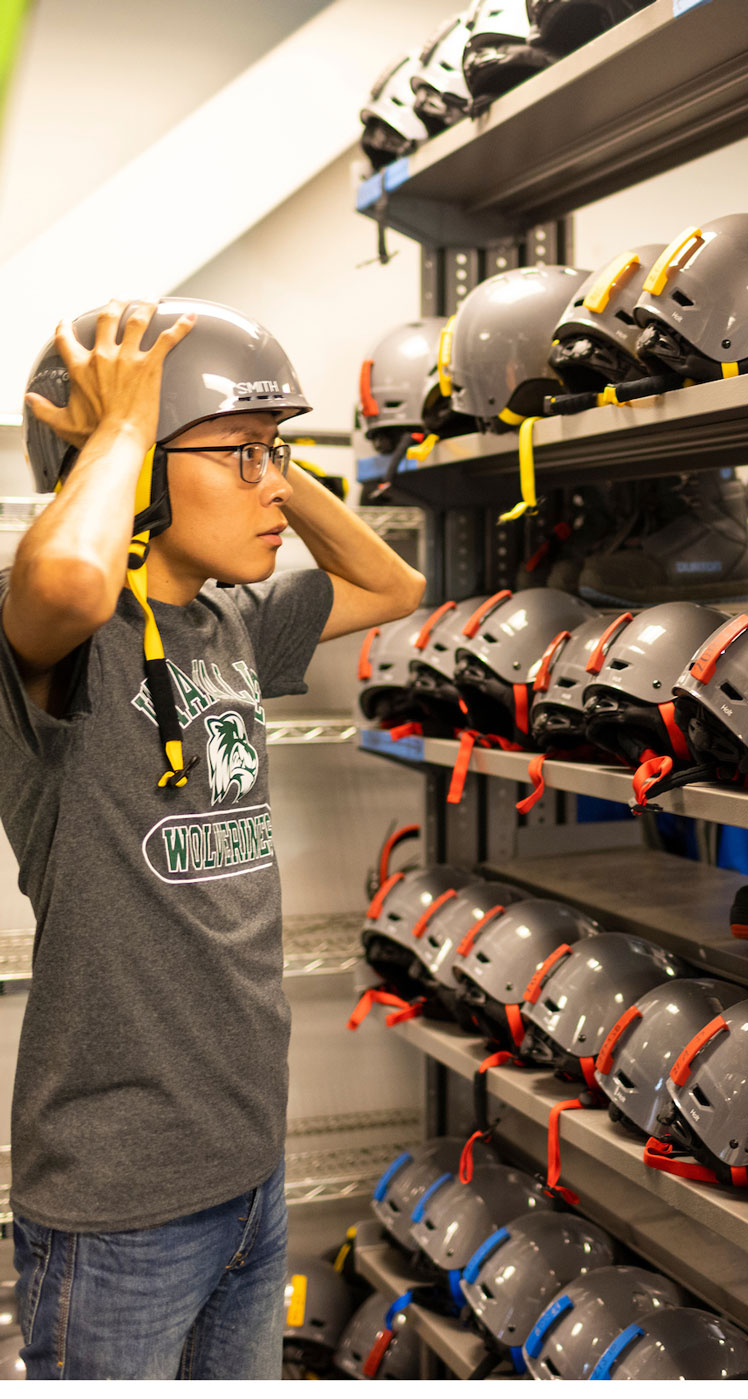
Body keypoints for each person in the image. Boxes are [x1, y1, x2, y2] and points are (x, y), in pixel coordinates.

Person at [0, 298, 426, 1379]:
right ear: (139, 468)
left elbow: (394, 584)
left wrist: (270, 457)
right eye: (239, 456)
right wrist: (126, 432)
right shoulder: (63, 643)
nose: (271, 483)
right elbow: (64, 578)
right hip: (120, 1208)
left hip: (249, 1171)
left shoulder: (230, 623)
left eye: (271, 455)